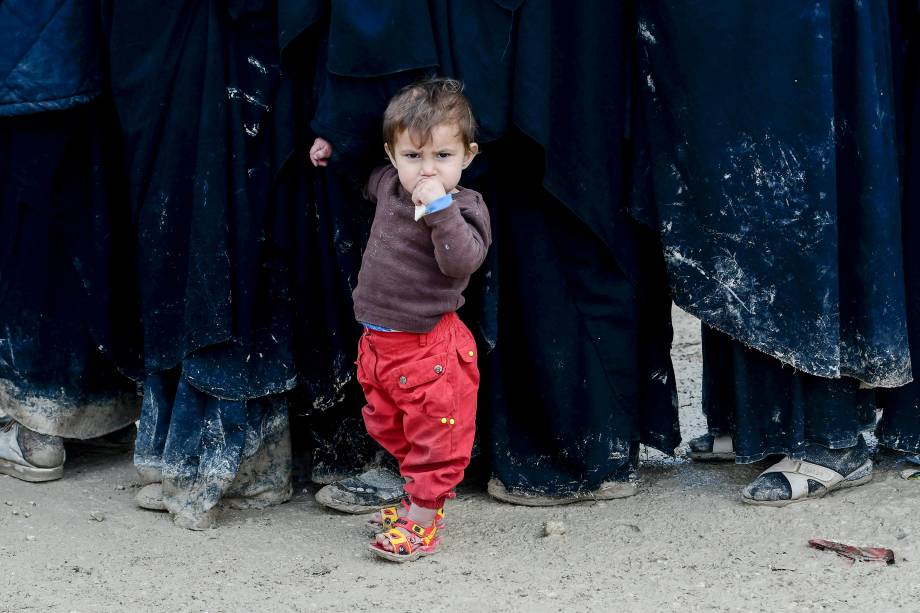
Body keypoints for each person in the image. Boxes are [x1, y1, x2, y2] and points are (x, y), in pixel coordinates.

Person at [310, 77, 490, 561]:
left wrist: (439, 208)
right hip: (378, 345)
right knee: (391, 430)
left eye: (442, 157)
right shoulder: (390, 184)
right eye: (414, 157)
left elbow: (462, 262)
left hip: (430, 349)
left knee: (436, 440)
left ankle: (424, 521)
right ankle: (415, 502)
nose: (427, 170)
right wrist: (334, 152)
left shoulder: (465, 208)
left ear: (468, 156)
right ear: (392, 156)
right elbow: (358, 178)